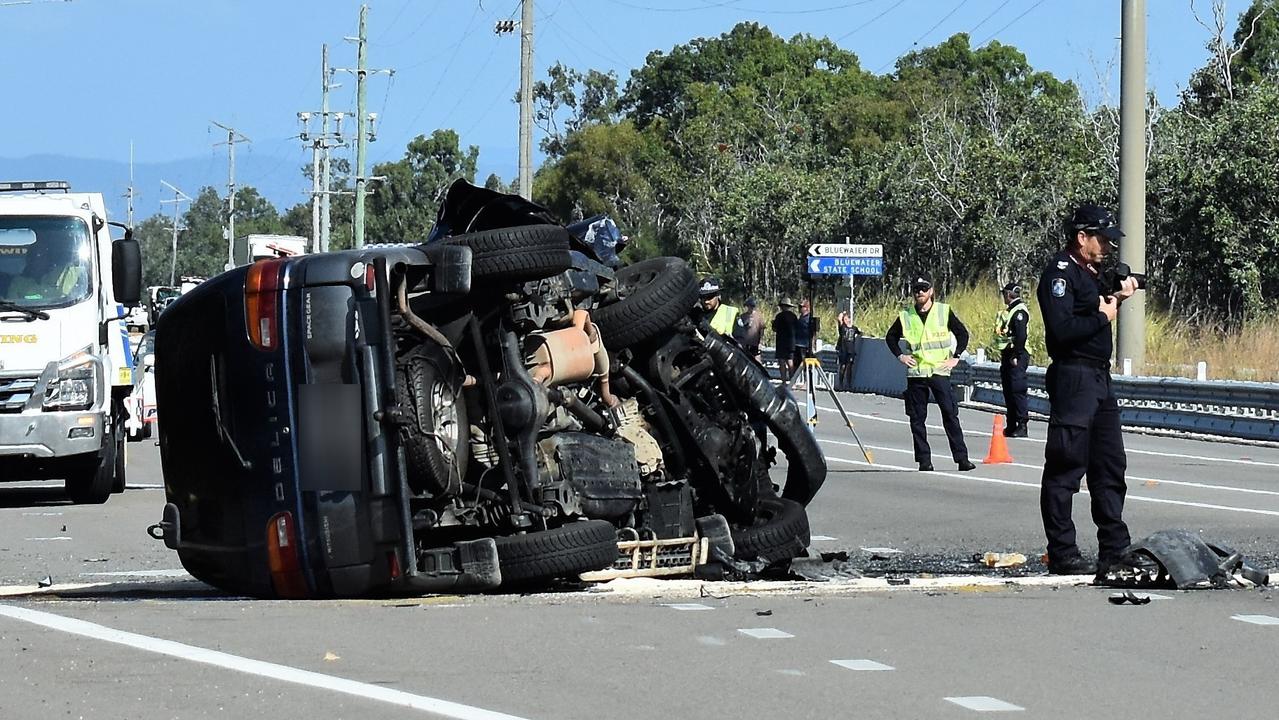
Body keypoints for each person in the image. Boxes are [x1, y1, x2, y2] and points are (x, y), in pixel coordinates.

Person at [1037, 204, 1139, 576]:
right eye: (1102, 238)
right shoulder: (1060, 274)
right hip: (1074, 374)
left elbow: (1100, 303)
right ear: (1082, 238)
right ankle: (1063, 552)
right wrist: (1104, 315)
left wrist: (1117, 298)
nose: (1108, 246)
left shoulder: (1091, 275)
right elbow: (1062, 330)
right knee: (1066, 465)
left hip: (1099, 377)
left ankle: (1114, 548)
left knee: (1110, 464)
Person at [884, 271, 975, 472]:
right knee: (917, 419)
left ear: (931, 291)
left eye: (924, 289)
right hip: (916, 374)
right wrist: (901, 356)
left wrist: (956, 357)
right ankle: (924, 460)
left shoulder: (943, 311)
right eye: (916, 290)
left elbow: (962, 333)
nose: (920, 293)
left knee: (950, 415)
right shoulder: (906, 315)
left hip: (939, 372)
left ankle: (962, 459)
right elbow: (890, 337)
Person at [994, 281, 1031, 437]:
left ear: (1009, 295)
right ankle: (1011, 424)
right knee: (1009, 390)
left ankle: (1022, 425)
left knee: (1017, 389)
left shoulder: (1019, 311)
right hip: (1009, 354)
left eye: (1004, 294)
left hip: (1018, 355)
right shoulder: (1010, 311)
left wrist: (1016, 355)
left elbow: (1021, 336)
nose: (1003, 297)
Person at [835, 311, 862, 390]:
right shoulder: (842, 327)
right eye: (844, 320)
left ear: (850, 319)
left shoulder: (854, 328)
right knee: (843, 366)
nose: (845, 321)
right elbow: (839, 319)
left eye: (846, 319)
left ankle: (849, 384)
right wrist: (843, 313)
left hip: (851, 351)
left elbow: (860, 333)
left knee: (849, 367)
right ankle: (841, 383)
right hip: (843, 350)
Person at [732, 297, 765, 361]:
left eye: (752, 306)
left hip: (755, 343)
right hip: (745, 343)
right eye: (748, 306)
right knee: (745, 359)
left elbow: (762, 329)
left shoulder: (759, 316)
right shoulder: (742, 316)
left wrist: (760, 342)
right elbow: (739, 329)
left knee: (757, 360)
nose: (750, 308)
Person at [772, 298, 798, 380]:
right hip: (791, 342)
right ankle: (792, 380)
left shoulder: (779, 316)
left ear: (782, 307)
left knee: (782, 362)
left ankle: (783, 380)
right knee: (790, 361)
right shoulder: (794, 316)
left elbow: (774, 328)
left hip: (781, 342)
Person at [791, 298, 815, 371]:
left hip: (805, 345)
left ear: (807, 308)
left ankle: (805, 379)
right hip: (797, 344)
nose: (799, 308)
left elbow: (813, 332)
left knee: (804, 364)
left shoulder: (809, 319)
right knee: (796, 364)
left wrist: (813, 344)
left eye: (801, 307)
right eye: (799, 307)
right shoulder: (800, 318)